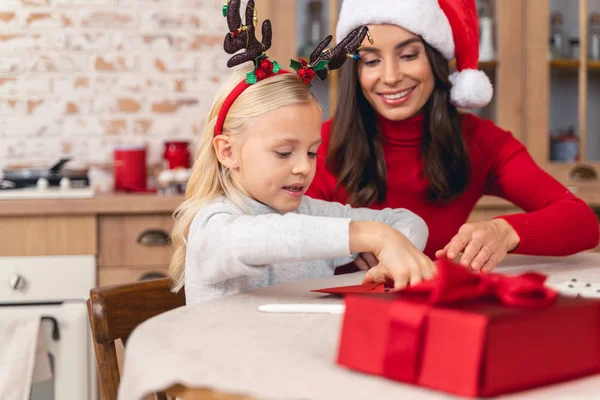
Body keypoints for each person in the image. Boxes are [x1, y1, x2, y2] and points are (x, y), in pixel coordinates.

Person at [168, 0, 434, 305]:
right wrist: (371, 235)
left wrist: (392, 249)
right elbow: (269, 238)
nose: (304, 168)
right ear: (228, 152)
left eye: (311, 153)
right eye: (284, 153)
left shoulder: (313, 214)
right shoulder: (213, 226)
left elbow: (408, 221)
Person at [307, 0, 600, 273]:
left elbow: (583, 222)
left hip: (436, 311)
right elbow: (281, 234)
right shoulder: (318, 143)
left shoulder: (481, 141)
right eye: (371, 61)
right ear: (355, 73)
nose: (391, 76)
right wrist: (348, 239)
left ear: (435, 60)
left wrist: (504, 231)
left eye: (409, 55)